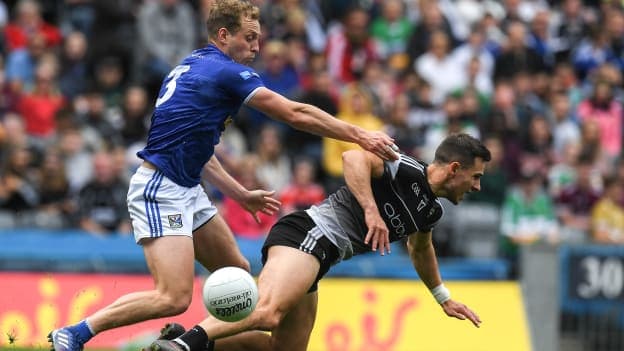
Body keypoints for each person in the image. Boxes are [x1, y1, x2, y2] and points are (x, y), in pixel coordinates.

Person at [48, 1, 397, 351]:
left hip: (186, 186)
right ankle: (76, 333)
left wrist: (240, 193)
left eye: (258, 38)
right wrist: (360, 134)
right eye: (249, 37)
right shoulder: (225, 72)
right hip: (160, 189)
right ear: (224, 34)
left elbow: (197, 149)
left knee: (239, 277)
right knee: (173, 296)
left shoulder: (194, 63)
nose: (257, 47)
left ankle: (189, 344)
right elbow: (294, 112)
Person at [149, 133, 489, 351]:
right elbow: (352, 159)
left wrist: (442, 297)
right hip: (307, 234)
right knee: (267, 313)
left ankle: (188, 341)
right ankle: (183, 345)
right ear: (454, 168)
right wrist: (371, 210)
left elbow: (420, 249)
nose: (476, 187)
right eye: (475, 177)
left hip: (319, 257)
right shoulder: (404, 167)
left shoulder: (431, 211)